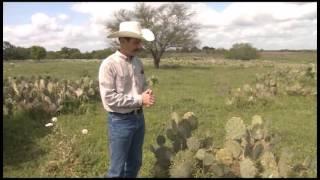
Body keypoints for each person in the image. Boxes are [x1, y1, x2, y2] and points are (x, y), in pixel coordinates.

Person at [98, 21, 156, 178]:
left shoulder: (137, 62)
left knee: (135, 163)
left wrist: (147, 93)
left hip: (138, 119)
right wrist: (139, 100)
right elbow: (109, 98)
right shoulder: (109, 64)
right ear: (122, 40)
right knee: (117, 169)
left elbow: (141, 86)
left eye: (140, 42)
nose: (139, 46)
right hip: (120, 121)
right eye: (136, 42)